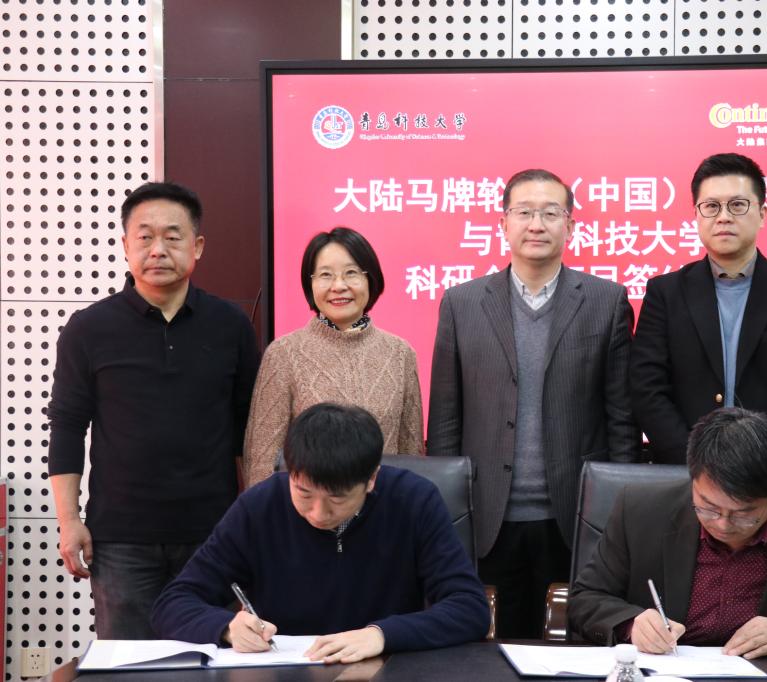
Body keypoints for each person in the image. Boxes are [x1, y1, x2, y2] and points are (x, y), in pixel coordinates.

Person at [427, 168, 639, 638]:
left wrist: (615, 507)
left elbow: (621, 418)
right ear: (503, 223)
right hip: (486, 515)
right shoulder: (462, 303)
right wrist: (450, 513)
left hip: (575, 514)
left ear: (571, 225)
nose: (536, 224)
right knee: (487, 647)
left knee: (575, 646)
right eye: (524, 212)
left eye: (550, 213)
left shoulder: (606, 301)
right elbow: (444, 420)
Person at [46, 181, 260, 639]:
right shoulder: (88, 329)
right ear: (126, 245)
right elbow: (66, 426)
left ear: (197, 246)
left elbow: (248, 429)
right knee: (128, 664)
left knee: (216, 658)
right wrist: (69, 521)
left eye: (172, 236)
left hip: (212, 534)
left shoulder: (231, 326)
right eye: (144, 237)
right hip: (120, 539)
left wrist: (252, 520)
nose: (158, 249)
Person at [151, 402, 490, 664]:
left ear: (371, 479)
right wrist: (225, 627)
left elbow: (469, 607)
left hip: (384, 668)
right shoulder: (260, 506)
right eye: (304, 493)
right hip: (286, 670)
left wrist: (382, 634)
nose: (317, 513)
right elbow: (173, 602)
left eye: (337, 499)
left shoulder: (414, 501)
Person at [570, 408, 767, 659]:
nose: (723, 524)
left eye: (744, 514)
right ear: (693, 479)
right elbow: (585, 599)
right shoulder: (640, 511)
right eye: (708, 508)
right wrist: (631, 624)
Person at [630, 153, 767, 493]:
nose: (723, 217)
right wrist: (696, 463)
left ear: (762, 213)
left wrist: (760, 460)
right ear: (697, 215)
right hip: (686, 480)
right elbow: (646, 389)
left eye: (737, 205)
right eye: (711, 206)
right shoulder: (665, 293)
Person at [243, 227, 423, 487]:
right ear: (310, 283)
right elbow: (263, 461)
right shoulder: (284, 354)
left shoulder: (400, 354)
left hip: (384, 506)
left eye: (351, 273)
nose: (339, 286)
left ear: (371, 279)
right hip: (307, 508)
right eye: (326, 275)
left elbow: (412, 454)